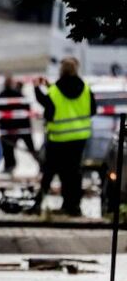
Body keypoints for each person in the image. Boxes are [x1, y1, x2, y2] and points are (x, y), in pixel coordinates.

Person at [31, 58, 96, 216]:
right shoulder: (86, 88)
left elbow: (47, 103)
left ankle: (38, 204)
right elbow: (92, 110)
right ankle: (73, 206)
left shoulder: (55, 90)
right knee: (73, 173)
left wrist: (36, 88)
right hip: (79, 138)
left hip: (58, 139)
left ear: (61, 70)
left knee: (50, 170)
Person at [0, 75, 37, 175]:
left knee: (8, 149)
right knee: (30, 148)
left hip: (9, 128)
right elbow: (27, 109)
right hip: (22, 126)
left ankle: (9, 166)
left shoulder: (2, 95)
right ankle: (42, 164)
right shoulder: (20, 95)